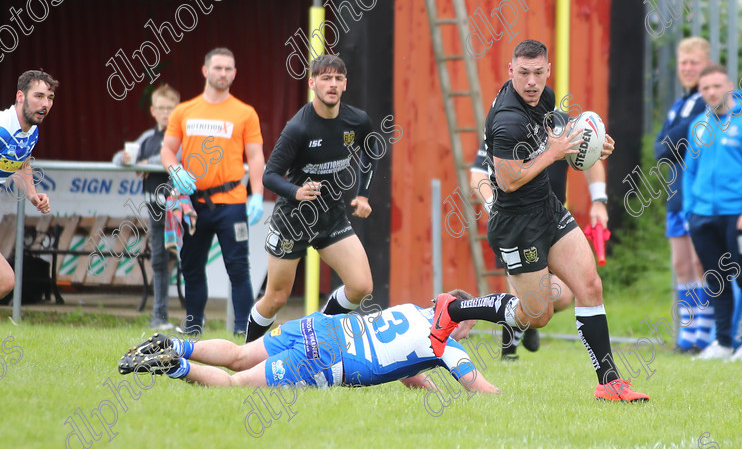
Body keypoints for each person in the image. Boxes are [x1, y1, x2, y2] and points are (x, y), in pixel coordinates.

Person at [429, 40, 648, 402]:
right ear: (509, 70)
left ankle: (609, 382)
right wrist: (555, 153)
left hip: (548, 210)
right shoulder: (507, 121)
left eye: (538, 73)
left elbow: (563, 134)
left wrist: (591, 145)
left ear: (548, 70)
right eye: (524, 73)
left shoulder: (544, 96)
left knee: (590, 285)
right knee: (537, 314)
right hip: (516, 224)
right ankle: (453, 308)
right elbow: (507, 179)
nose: (532, 82)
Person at [118, 289, 499, 394]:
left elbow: (406, 367)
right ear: (463, 323)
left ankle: (172, 344)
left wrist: (425, 385)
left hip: (321, 325)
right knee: (236, 384)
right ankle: (174, 365)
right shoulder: (449, 347)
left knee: (236, 356)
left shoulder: (412, 309)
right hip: (329, 356)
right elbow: (480, 390)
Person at [246, 54, 377, 342]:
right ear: (312, 83)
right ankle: (247, 353)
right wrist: (296, 191)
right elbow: (270, 176)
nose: (332, 84)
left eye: (338, 78)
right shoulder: (299, 128)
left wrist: (363, 195)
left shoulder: (357, 120)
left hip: (331, 217)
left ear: (345, 84)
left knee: (361, 285)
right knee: (276, 298)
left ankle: (317, 335)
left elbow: (371, 149)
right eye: (325, 78)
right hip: (293, 221)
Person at [469, 129, 604, 360]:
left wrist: (600, 201)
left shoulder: (561, 123)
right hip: (517, 225)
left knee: (560, 296)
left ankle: (526, 323)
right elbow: (477, 175)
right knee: (525, 298)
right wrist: (495, 207)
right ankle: (508, 350)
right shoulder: (506, 124)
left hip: (552, 222)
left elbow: (591, 156)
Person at [160, 48, 265, 335]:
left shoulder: (245, 113)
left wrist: (257, 194)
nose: (223, 74)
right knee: (191, 266)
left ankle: (244, 330)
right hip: (193, 204)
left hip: (231, 202)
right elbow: (167, 150)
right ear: (205, 71)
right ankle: (193, 325)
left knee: (238, 269)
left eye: (229, 69)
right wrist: (175, 170)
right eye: (218, 68)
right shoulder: (184, 110)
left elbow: (255, 156)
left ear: (234, 73)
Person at [683, 64, 742, 361]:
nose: (711, 93)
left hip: (740, 216)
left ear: (729, 86)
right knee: (715, 279)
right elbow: (689, 172)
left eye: (717, 86)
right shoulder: (698, 125)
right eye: (705, 88)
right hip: (703, 216)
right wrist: (690, 211)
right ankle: (722, 342)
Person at [653, 36, 713, 353]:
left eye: (695, 63)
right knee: (682, 266)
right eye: (684, 63)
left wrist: (672, 141)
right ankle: (686, 336)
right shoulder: (681, 103)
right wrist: (672, 141)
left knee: (701, 265)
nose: (689, 69)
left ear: (707, 64)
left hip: (698, 196)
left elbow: (678, 140)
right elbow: (660, 148)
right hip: (675, 196)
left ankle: (705, 336)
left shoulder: (709, 101)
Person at [112, 84, 180, 330]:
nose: (165, 113)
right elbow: (118, 159)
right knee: (159, 261)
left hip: (180, 211)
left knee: (189, 261)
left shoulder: (180, 135)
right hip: (155, 210)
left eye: (170, 108)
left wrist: (146, 162)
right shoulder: (147, 138)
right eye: (161, 108)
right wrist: (127, 159)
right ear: (152, 111)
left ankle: (194, 317)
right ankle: (159, 317)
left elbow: (176, 157)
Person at [0, 70, 56, 299]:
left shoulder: (31, 131)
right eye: (39, 96)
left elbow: (21, 163)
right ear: (20, 96)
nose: (45, 103)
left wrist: (32, 194)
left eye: (50, 98)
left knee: (5, 281)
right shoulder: (3, 127)